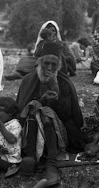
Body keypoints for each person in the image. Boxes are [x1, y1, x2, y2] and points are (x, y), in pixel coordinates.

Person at [17, 42, 85, 186]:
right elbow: (21, 109)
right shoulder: (29, 80)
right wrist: (42, 100)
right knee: (38, 110)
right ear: (40, 62)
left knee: (46, 113)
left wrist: (56, 92)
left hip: (58, 135)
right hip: (32, 132)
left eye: (54, 64)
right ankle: (30, 157)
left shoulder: (64, 82)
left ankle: (51, 164)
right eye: (46, 63)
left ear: (59, 65)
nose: (49, 68)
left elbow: (69, 116)